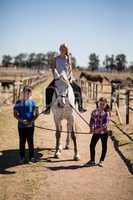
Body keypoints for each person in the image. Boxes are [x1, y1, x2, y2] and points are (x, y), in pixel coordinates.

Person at [44, 43, 87, 114]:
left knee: (78, 88)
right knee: (48, 89)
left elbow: (70, 69)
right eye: (61, 49)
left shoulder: (68, 59)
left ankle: (80, 107)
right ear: (59, 49)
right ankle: (47, 108)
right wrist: (56, 76)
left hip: (67, 79)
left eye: (64, 49)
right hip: (58, 78)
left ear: (66, 50)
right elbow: (53, 69)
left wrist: (70, 78)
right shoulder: (56, 59)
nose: (62, 50)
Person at [13, 87, 39, 164]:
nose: (26, 94)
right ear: (22, 93)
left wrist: (31, 121)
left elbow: (37, 114)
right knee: (22, 142)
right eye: (24, 92)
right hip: (21, 126)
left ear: (30, 94)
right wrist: (21, 120)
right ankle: (22, 157)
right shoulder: (18, 102)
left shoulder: (34, 103)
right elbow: (15, 114)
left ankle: (32, 157)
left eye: (28, 93)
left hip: (30, 126)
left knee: (30, 141)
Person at [86, 97, 109, 167]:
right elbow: (91, 121)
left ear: (105, 105)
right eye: (100, 104)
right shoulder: (94, 112)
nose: (101, 106)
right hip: (96, 133)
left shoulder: (106, 113)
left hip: (104, 133)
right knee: (92, 145)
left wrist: (98, 130)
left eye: (103, 104)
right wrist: (91, 128)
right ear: (98, 103)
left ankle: (101, 161)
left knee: (104, 147)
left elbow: (106, 124)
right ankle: (92, 160)